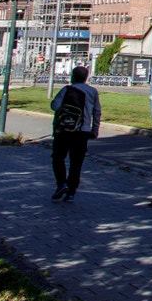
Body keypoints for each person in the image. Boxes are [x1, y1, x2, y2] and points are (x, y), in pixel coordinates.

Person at [49, 65, 101, 202]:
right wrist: (95, 129)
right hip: (82, 132)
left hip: (64, 130)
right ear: (86, 77)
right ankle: (71, 192)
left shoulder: (66, 90)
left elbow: (54, 106)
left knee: (58, 157)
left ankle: (61, 183)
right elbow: (97, 112)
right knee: (76, 163)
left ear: (73, 76)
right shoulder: (92, 92)